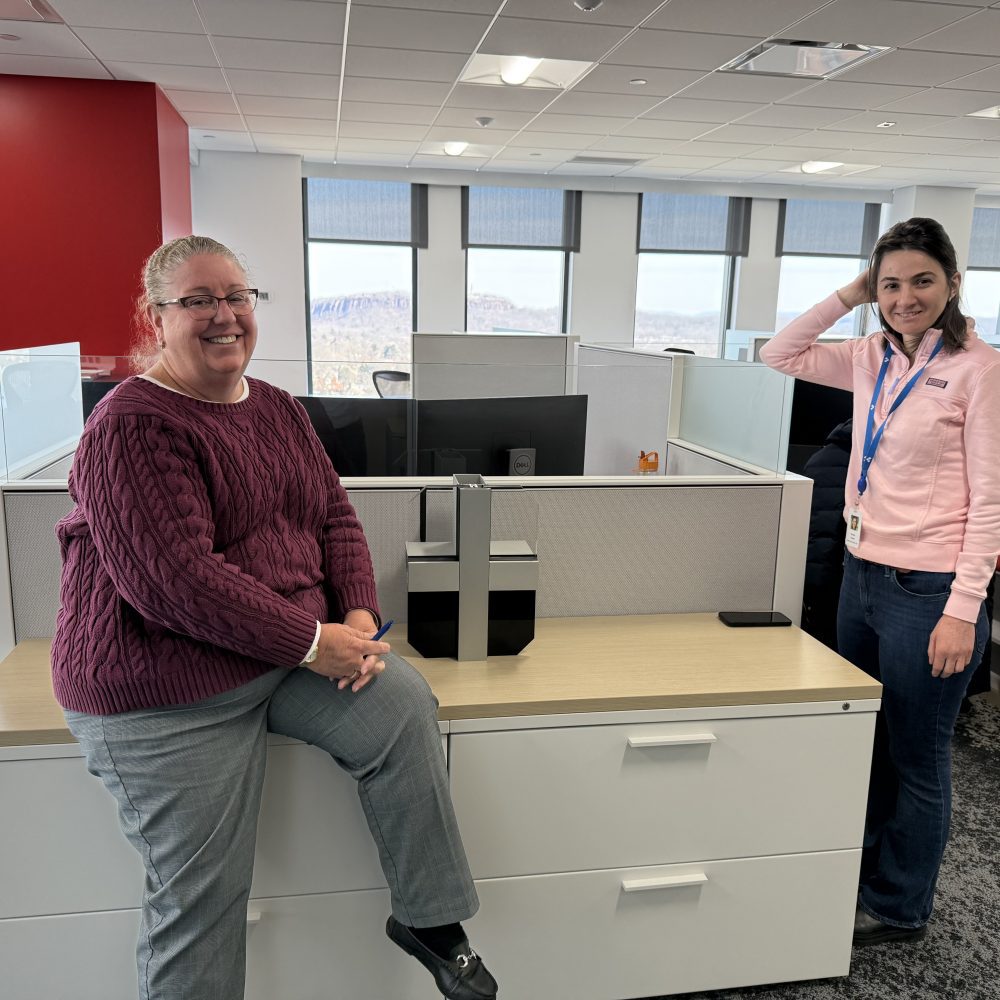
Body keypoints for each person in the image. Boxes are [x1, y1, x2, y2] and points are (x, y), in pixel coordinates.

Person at [51, 235, 498, 1000]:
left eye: (236, 296)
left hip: (275, 657)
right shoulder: (132, 426)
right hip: (162, 682)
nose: (223, 316)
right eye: (197, 301)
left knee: (400, 704)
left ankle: (430, 917)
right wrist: (313, 640)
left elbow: (333, 517)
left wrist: (356, 615)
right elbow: (175, 583)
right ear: (154, 317)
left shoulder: (280, 409)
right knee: (201, 900)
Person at [760, 217, 1000, 948]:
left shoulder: (981, 370)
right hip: (861, 577)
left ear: (953, 284)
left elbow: (991, 500)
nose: (906, 297)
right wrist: (852, 293)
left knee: (917, 752)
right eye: (891, 284)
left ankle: (899, 907)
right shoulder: (870, 356)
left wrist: (964, 611)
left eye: (922, 280)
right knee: (861, 734)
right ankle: (858, 871)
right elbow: (779, 353)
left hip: (929, 591)